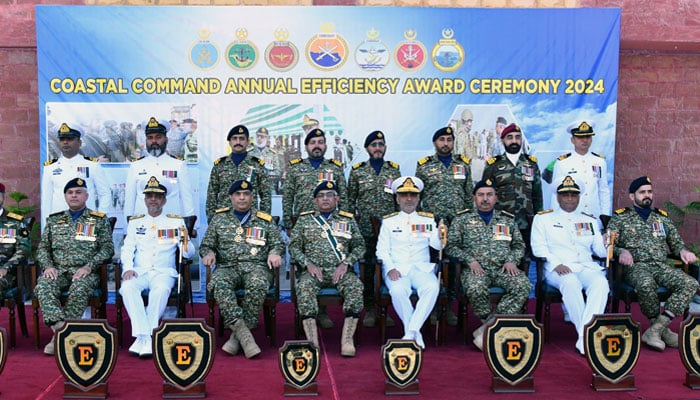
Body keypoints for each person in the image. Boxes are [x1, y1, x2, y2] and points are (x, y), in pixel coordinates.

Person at [608, 176, 699, 352]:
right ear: (632, 196)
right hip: (636, 266)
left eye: (649, 191)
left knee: (690, 283)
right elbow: (609, 244)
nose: (647, 195)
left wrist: (684, 252)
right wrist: (622, 252)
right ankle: (662, 331)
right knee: (646, 284)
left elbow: (676, 243)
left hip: (661, 265)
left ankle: (656, 329)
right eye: (642, 192)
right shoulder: (620, 218)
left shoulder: (661, 218)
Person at [200, 180, 284, 358]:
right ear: (230, 197)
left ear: (252, 197)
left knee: (258, 283)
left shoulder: (264, 220)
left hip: (257, 267)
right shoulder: (219, 218)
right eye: (238, 194)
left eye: (246, 194)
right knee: (219, 283)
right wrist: (208, 254)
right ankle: (244, 335)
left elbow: (278, 243)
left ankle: (236, 339)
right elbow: (206, 245)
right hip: (227, 267)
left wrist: (275, 253)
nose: (242, 197)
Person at [446, 179, 531, 351]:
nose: (485, 199)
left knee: (522, 285)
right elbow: (451, 246)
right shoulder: (462, 219)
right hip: (476, 270)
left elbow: (519, 245)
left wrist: (512, 260)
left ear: (496, 198)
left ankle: (487, 329)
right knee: (476, 288)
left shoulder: (507, 220)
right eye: (481, 195)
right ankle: (493, 325)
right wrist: (470, 260)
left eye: (489, 195)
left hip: (503, 269)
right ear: (474, 198)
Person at [34, 178, 114, 355]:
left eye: (78, 192)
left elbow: (108, 248)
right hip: (58, 270)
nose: (74, 195)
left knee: (79, 288)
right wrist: (47, 266)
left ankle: (58, 339)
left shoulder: (98, 220)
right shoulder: (55, 220)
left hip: (85, 271)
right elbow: (43, 248)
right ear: (65, 196)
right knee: (44, 285)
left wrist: (88, 266)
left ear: (86, 196)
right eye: (70, 193)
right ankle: (61, 329)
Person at [530, 176, 609, 355]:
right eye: (565, 195)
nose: (570, 199)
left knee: (601, 284)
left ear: (579, 197)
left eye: (574, 195)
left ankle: (585, 336)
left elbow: (600, 252)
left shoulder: (590, 220)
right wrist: (556, 263)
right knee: (570, 282)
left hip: (585, 267)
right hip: (556, 268)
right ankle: (588, 337)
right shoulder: (543, 219)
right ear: (558, 197)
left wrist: (607, 243)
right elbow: (538, 248)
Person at [119, 176, 195, 357]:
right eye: (149, 195)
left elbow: (188, 253)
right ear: (145, 199)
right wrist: (127, 268)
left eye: (157, 196)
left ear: (164, 200)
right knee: (127, 288)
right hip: (140, 271)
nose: (153, 199)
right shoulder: (135, 222)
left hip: (164, 272)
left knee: (160, 291)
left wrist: (184, 239)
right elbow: (127, 248)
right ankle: (146, 335)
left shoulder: (175, 222)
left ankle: (146, 336)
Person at [289, 181, 365, 357]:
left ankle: (347, 340)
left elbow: (360, 245)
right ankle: (312, 342)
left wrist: (347, 263)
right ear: (315, 200)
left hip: (341, 271)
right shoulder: (305, 220)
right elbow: (294, 248)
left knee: (355, 288)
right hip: (314, 271)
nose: (325, 199)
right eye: (321, 196)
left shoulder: (347, 219)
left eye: (329, 195)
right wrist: (307, 263)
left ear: (336, 198)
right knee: (304, 288)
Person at [376, 176, 446, 349]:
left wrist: (441, 235)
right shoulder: (389, 221)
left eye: (413, 195)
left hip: (421, 268)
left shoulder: (428, 220)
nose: (409, 199)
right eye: (404, 195)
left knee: (432, 287)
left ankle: (411, 331)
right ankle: (415, 334)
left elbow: (437, 247)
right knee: (398, 290)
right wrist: (390, 267)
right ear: (397, 199)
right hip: (397, 268)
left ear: (418, 198)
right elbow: (381, 250)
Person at [416, 126, 473, 326]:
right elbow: (418, 197)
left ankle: (448, 307)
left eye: (449, 140)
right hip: (432, 224)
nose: (446, 143)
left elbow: (468, 196)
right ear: (435, 143)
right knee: (432, 265)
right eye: (442, 140)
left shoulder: (464, 164)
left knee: (453, 266)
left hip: (457, 223)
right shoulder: (424, 166)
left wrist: (466, 222)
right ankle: (431, 308)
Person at [347, 130, 401, 327]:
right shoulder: (358, 171)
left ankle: (385, 310)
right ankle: (370, 308)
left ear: (385, 147)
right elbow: (349, 202)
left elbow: (398, 201)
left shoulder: (394, 171)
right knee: (368, 270)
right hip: (365, 231)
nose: (377, 148)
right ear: (367, 148)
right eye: (374, 145)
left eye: (381, 144)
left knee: (389, 268)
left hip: (389, 231)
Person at [482, 123, 542, 245]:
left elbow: (537, 195)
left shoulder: (531, 164)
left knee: (524, 260)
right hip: (500, 223)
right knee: (499, 260)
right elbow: (485, 196)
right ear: (502, 140)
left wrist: (539, 220)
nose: (514, 141)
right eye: (510, 137)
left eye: (517, 137)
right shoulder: (493, 165)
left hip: (526, 223)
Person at [124, 117, 195, 219]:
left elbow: (186, 198)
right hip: (142, 227)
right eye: (150, 137)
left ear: (166, 139)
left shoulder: (178, 165)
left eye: (158, 137)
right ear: (146, 141)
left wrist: (189, 225)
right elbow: (129, 200)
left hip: (170, 225)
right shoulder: (136, 166)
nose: (154, 141)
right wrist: (127, 230)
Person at [41, 123, 110, 225]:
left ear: (80, 142)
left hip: (86, 224)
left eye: (70, 139)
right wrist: (47, 227)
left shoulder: (92, 165)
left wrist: (99, 219)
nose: (65, 142)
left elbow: (105, 193)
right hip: (59, 225)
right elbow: (46, 200)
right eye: (62, 139)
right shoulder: (50, 168)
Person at [205, 124, 271, 221]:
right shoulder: (219, 165)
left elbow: (265, 195)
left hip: (250, 219)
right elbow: (212, 194)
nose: (238, 142)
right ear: (230, 142)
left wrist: (263, 219)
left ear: (248, 142)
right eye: (234, 139)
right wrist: (211, 218)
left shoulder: (257, 165)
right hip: (223, 220)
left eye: (242, 138)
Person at [551, 121, 611, 219]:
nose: (585, 140)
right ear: (572, 140)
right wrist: (556, 218)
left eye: (588, 137)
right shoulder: (562, 163)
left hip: (595, 215)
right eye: (580, 137)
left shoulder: (600, 161)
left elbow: (603, 190)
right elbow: (556, 194)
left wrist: (605, 216)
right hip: (571, 215)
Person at [0, 183, 30, 296]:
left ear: (3, 197)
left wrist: (6, 268)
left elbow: (24, 249)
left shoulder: (16, 222)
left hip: (7, 273)